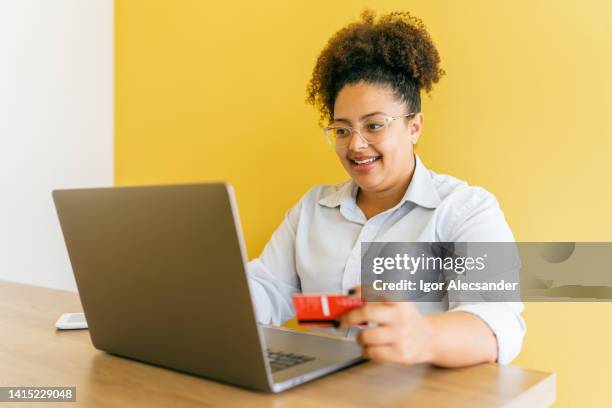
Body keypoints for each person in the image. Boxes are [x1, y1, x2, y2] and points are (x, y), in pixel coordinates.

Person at [247, 10, 525, 367]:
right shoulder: (311, 210)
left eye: (374, 126)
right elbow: (266, 291)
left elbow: (500, 324)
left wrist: (424, 337)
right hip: (320, 394)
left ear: (414, 127)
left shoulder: (467, 209)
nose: (356, 145)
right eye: (342, 130)